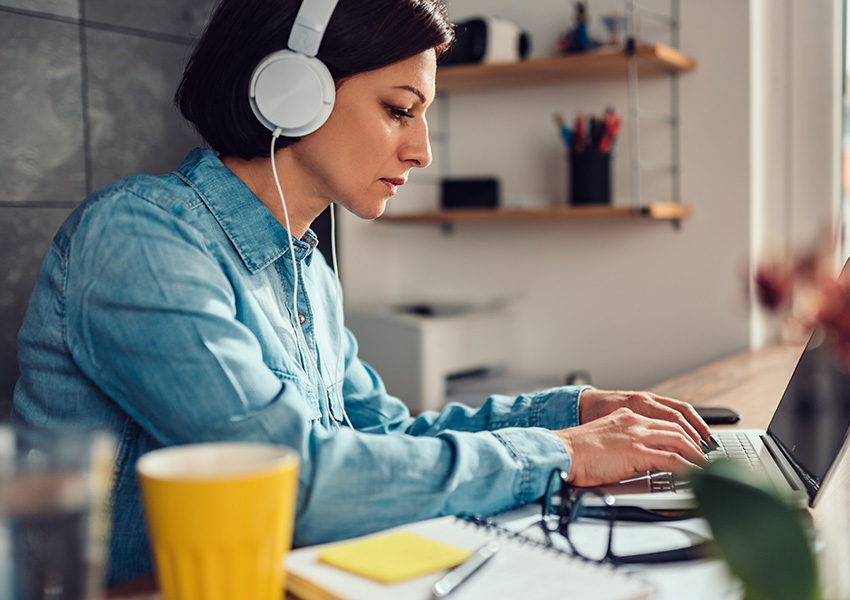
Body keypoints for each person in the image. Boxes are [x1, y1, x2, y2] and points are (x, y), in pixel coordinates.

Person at [12, 0, 712, 587]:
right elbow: (298, 483)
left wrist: (574, 413)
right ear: (291, 90)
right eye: (400, 110)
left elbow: (383, 443)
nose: (422, 151)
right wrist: (561, 453)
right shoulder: (140, 238)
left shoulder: (308, 270)